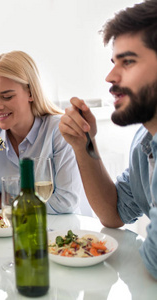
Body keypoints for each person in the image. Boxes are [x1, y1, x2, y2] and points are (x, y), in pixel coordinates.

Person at [59, 0, 157, 279]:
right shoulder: (144, 142)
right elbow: (114, 213)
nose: (110, 76)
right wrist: (84, 144)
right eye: (114, 62)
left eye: (128, 62)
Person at [0, 51, 86, 213]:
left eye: (7, 97)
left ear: (31, 93)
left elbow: (65, 201)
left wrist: (7, 202)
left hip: (61, 230)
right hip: (15, 231)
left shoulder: (59, 130)